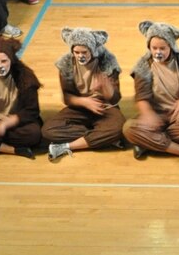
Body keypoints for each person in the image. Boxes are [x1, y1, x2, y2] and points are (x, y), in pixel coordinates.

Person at [39, 26, 126, 163]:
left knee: (120, 128)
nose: (80, 56)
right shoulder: (66, 64)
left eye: (84, 52)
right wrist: (84, 102)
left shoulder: (107, 61)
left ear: (92, 50)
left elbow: (115, 99)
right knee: (48, 130)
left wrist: (106, 87)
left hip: (105, 107)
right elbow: (67, 97)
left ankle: (66, 146)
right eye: (76, 52)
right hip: (79, 107)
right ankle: (102, 138)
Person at [127, 20, 179, 161]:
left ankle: (149, 142)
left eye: (162, 48)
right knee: (128, 129)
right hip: (155, 115)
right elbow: (142, 96)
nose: (158, 52)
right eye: (154, 48)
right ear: (149, 47)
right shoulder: (143, 65)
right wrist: (147, 114)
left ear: (171, 46)